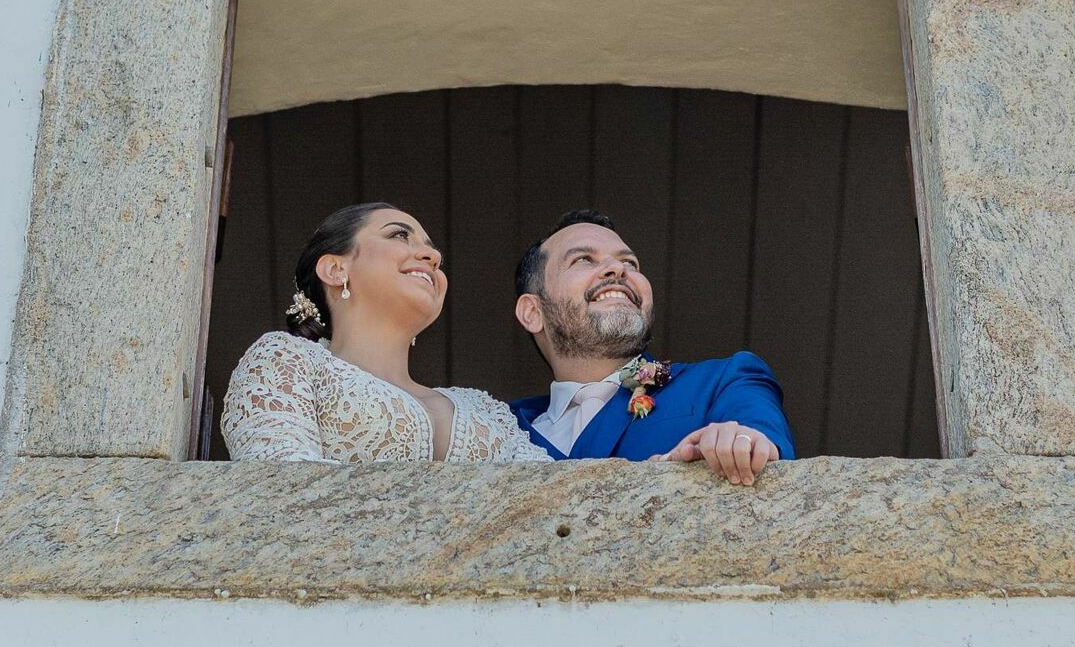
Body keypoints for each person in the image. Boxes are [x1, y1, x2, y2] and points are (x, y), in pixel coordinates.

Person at [221, 202, 548, 463]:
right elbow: (276, 481)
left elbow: (548, 496)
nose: (433, 256)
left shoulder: (482, 406)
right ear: (336, 269)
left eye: (434, 251)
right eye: (399, 236)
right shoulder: (287, 360)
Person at [509, 210, 795, 485]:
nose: (618, 269)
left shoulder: (725, 381)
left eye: (630, 263)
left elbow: (768, 449)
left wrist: (743, 442)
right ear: (532, 313)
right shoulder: (495, 428)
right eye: (584, 259)